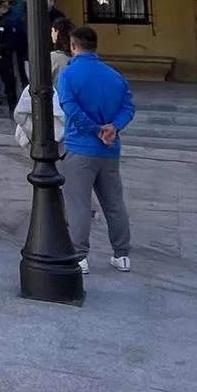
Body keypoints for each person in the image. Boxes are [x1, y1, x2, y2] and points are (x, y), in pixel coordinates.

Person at [59, 26, 135, 274]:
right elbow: (128, 107)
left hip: (80, 146)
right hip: (110, 149)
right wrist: (113, 127)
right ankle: (122, 254)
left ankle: (80, 256)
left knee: (78, 203)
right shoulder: (114, 75)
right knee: (114, 203)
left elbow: (70, 107)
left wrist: (94, 129)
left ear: (73, 46)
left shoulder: (69, 74)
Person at [2, 0, 29, 88]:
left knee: (21, 64)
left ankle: (24, 85)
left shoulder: (21, 3)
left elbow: (17, 17)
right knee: (8, 65)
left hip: (20, 35)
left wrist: (7, 9)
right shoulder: (3, 3)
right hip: (7, 37)